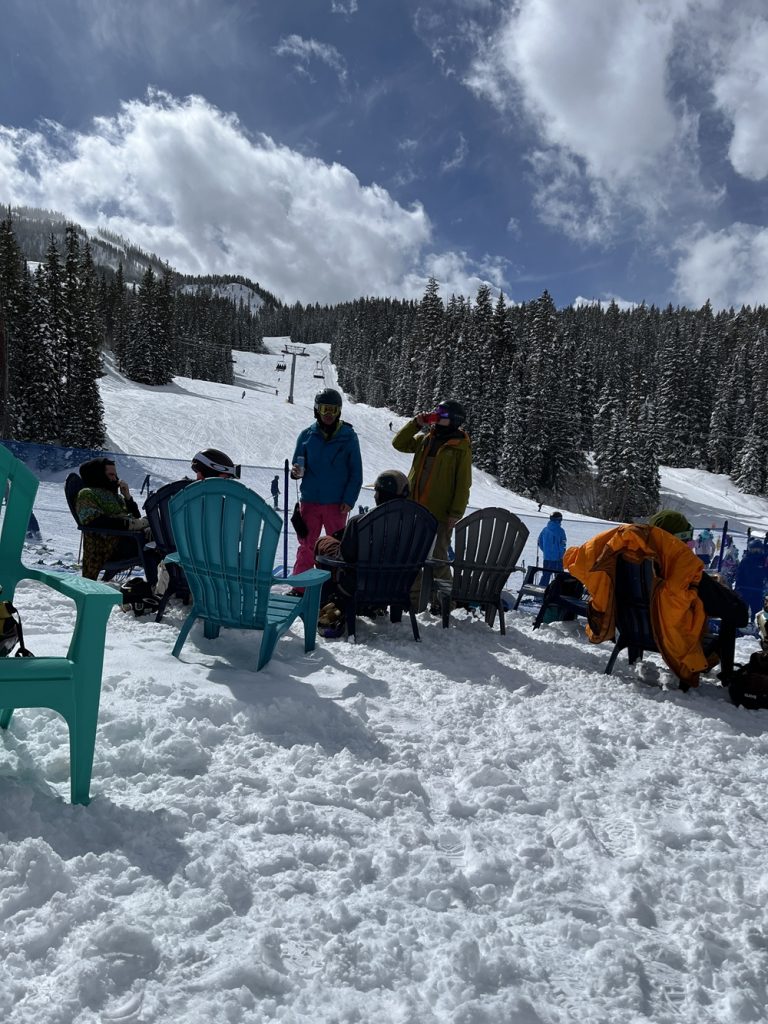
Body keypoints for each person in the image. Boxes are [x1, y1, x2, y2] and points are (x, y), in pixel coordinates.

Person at [564, 509, 747, 688]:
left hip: (630, 630)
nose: (688, 547)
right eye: (687, 542)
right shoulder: (684, 571)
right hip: (672, 641)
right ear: (677, 540)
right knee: (729, 614)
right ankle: (727, 676)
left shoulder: (621, 560)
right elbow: (737, 612)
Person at [392, 399, 472, 609]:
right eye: (437, 412)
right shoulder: (427, 438)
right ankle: (415, 601)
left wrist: (455, 513)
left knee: (438, 558)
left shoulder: (460, 447)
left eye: (442, 414)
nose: (437, 416)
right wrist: (416, 423)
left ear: (454, 420)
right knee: (413, 556)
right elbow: (398, 443)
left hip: (440, 513)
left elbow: (463, 483)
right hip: (415, 509)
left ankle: (446, 601)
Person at [314, 470, 410, 621]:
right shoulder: (417, 524)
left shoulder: (360, 522)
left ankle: (331, 605)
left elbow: (345, 557)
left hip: (356, 586)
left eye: (377, 491)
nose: (374, 495)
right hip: (396, 586)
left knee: (323, 543)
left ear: (381, 495)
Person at [290, 387, 363, 580]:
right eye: (324, 409)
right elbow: (298, 463)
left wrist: (349, 499)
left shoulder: (348, 437)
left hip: (337, 503)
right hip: (311, 501)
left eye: (333, 409)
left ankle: (333, 589)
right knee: (307, 545)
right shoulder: (306, 436)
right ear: (317, 410)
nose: (329, 414)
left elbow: (356, 472)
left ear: (339, 411)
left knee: (336, 548)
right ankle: (301, 586)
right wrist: (297, 472)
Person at [75, 457, 156, 584]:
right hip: (107, 547)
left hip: (128, 539)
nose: (115, 479)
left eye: (116, 475)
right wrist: (130, 524)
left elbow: (135, 517)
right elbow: (95, 521)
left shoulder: (115, 496)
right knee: (156, 544)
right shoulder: (86, 494)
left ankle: (166, 585)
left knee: (162, 535)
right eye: (111, 475)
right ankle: (157, 587)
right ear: (98, 475)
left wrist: (127, 497)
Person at [735, 538, 766, 620]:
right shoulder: (746, 560)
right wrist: (738, 588)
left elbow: (765, 573)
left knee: (757, 611)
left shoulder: (763, 561)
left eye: (758, 550)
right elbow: (739, 574)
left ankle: (756, 626)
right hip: (744, 589)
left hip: (758, 590)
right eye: (753, 549)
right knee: (742, 610)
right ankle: (741, 625)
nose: (756, 552)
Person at [537, 511, 566, 585]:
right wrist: (562, 555)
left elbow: (540, 542)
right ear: (558, 520)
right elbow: (562, 545)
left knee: (545, 577)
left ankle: (540, 594)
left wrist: (546, 551)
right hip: (557, 559)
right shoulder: (560, 531)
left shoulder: (545, 530)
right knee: (559, 578)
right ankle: (558, 593)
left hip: (547, 558)